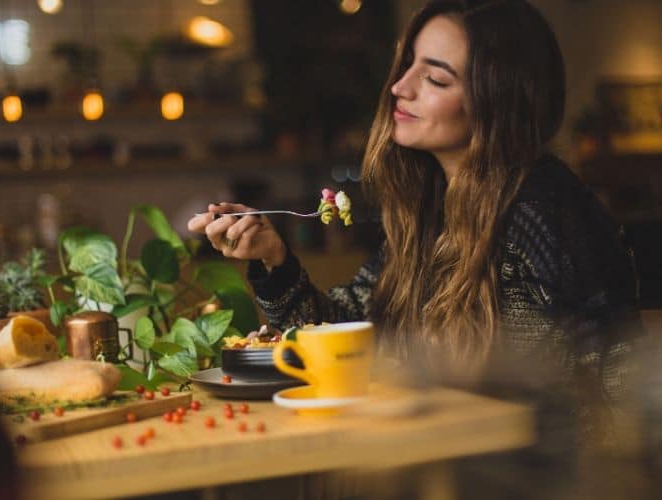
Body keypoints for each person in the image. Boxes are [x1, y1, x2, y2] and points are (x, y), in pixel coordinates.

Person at [188, 0, 641, 434]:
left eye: (436, 80)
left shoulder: (543, 210)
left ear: (496, 102)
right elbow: (349, 331)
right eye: (408, 65)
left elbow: (620, 383)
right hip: (445, 462)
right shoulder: (432, 211)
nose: (400, 87)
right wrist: (274, 259)